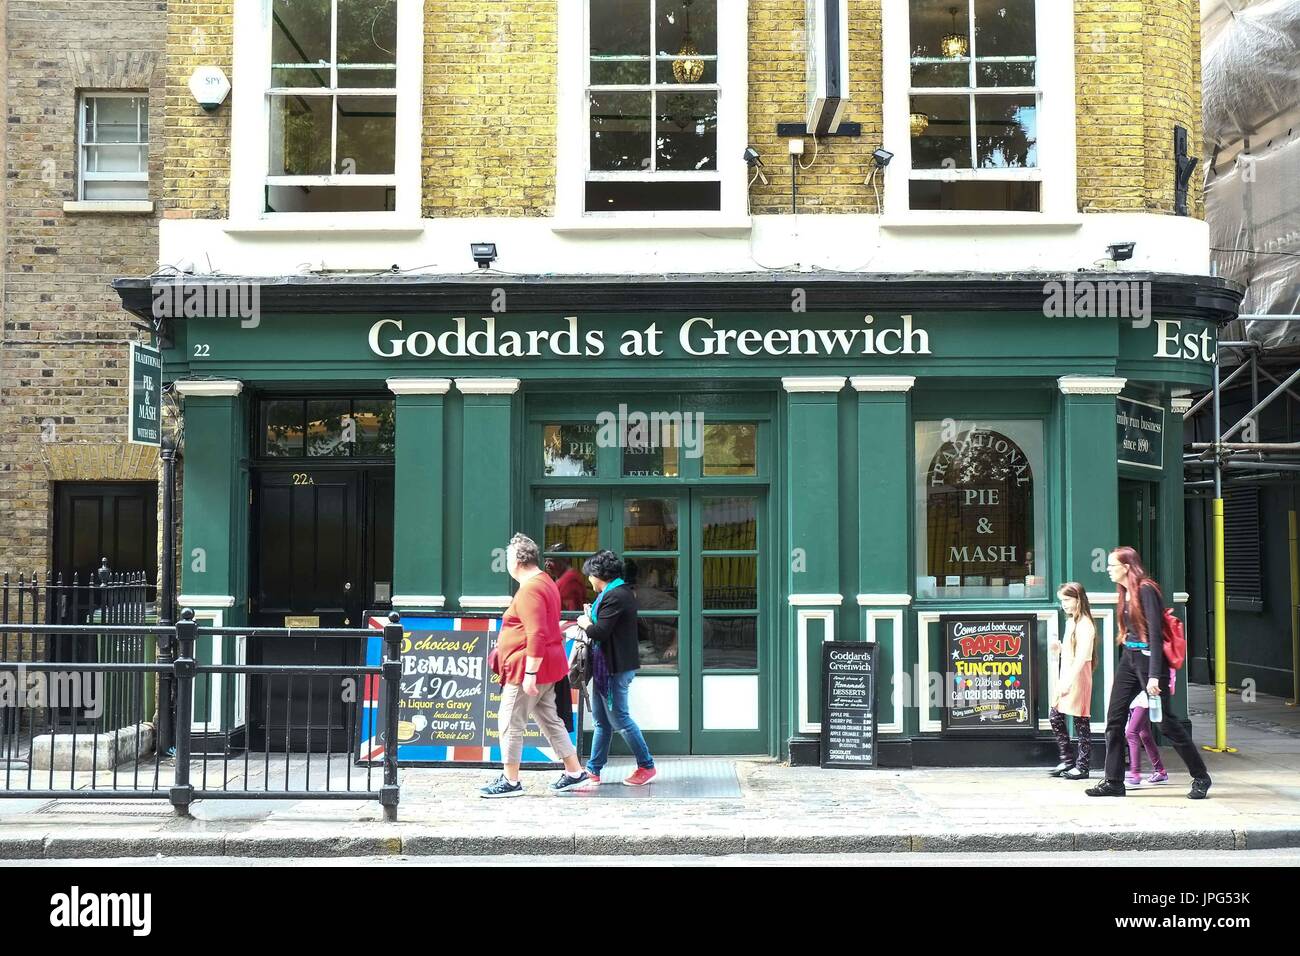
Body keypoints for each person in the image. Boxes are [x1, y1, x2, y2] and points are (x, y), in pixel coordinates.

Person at [1087, 546, 1212, 799]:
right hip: (1130, 660)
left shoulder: (1146, 589)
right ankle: (1114, 781)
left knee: (1165, 722)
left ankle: (1201, 777)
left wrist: (1154, 675)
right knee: (1114, 718)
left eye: (1112, 566)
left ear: (1127, 567)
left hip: (1149, 662)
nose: (1108, 570)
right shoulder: (1125, 591)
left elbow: (1155, 634)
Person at [480, 533, 591, 798]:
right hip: (546, 666)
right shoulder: (545, 581)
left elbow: (536, 632)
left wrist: (529, 673)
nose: (506, 563)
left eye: (507, 557)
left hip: (526, 669)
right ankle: (575, 771)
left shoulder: (530, 588)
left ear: (517, 560)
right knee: (550, 720)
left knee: (509, 722)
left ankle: (511, 780)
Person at [576, 549, 657, 787]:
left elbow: (600, 631)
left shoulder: (616, 596)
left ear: (599, 574)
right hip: (608, 667)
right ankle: (593, 769)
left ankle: (647, 765)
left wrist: (585, 621)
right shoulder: (616, 593)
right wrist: (592, 616)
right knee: (602, 721)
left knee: (620, 719)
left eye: (589, 575)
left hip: (614, 668)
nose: (588, 579)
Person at [1048, 582, 1097, 780]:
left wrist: (1068, 681)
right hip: (1068, 674)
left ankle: (1081, 766)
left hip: (1077, 675)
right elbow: (1072, 652)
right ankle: (1068, 761)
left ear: (1079, 599)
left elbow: (1082, 657)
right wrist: (1059, 647)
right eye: (1062, 601)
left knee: (1081, 720)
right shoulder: (1071, 622)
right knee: (1056, 715)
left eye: (1067, 600)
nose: (1064, 605)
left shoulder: (1085, 624)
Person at [1124, 686, 1169, 787]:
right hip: (1135, 699)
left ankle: (1135, 775)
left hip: (1143, 699)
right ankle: (1160, 771)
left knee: (1131, 733)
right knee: (1145, 735)